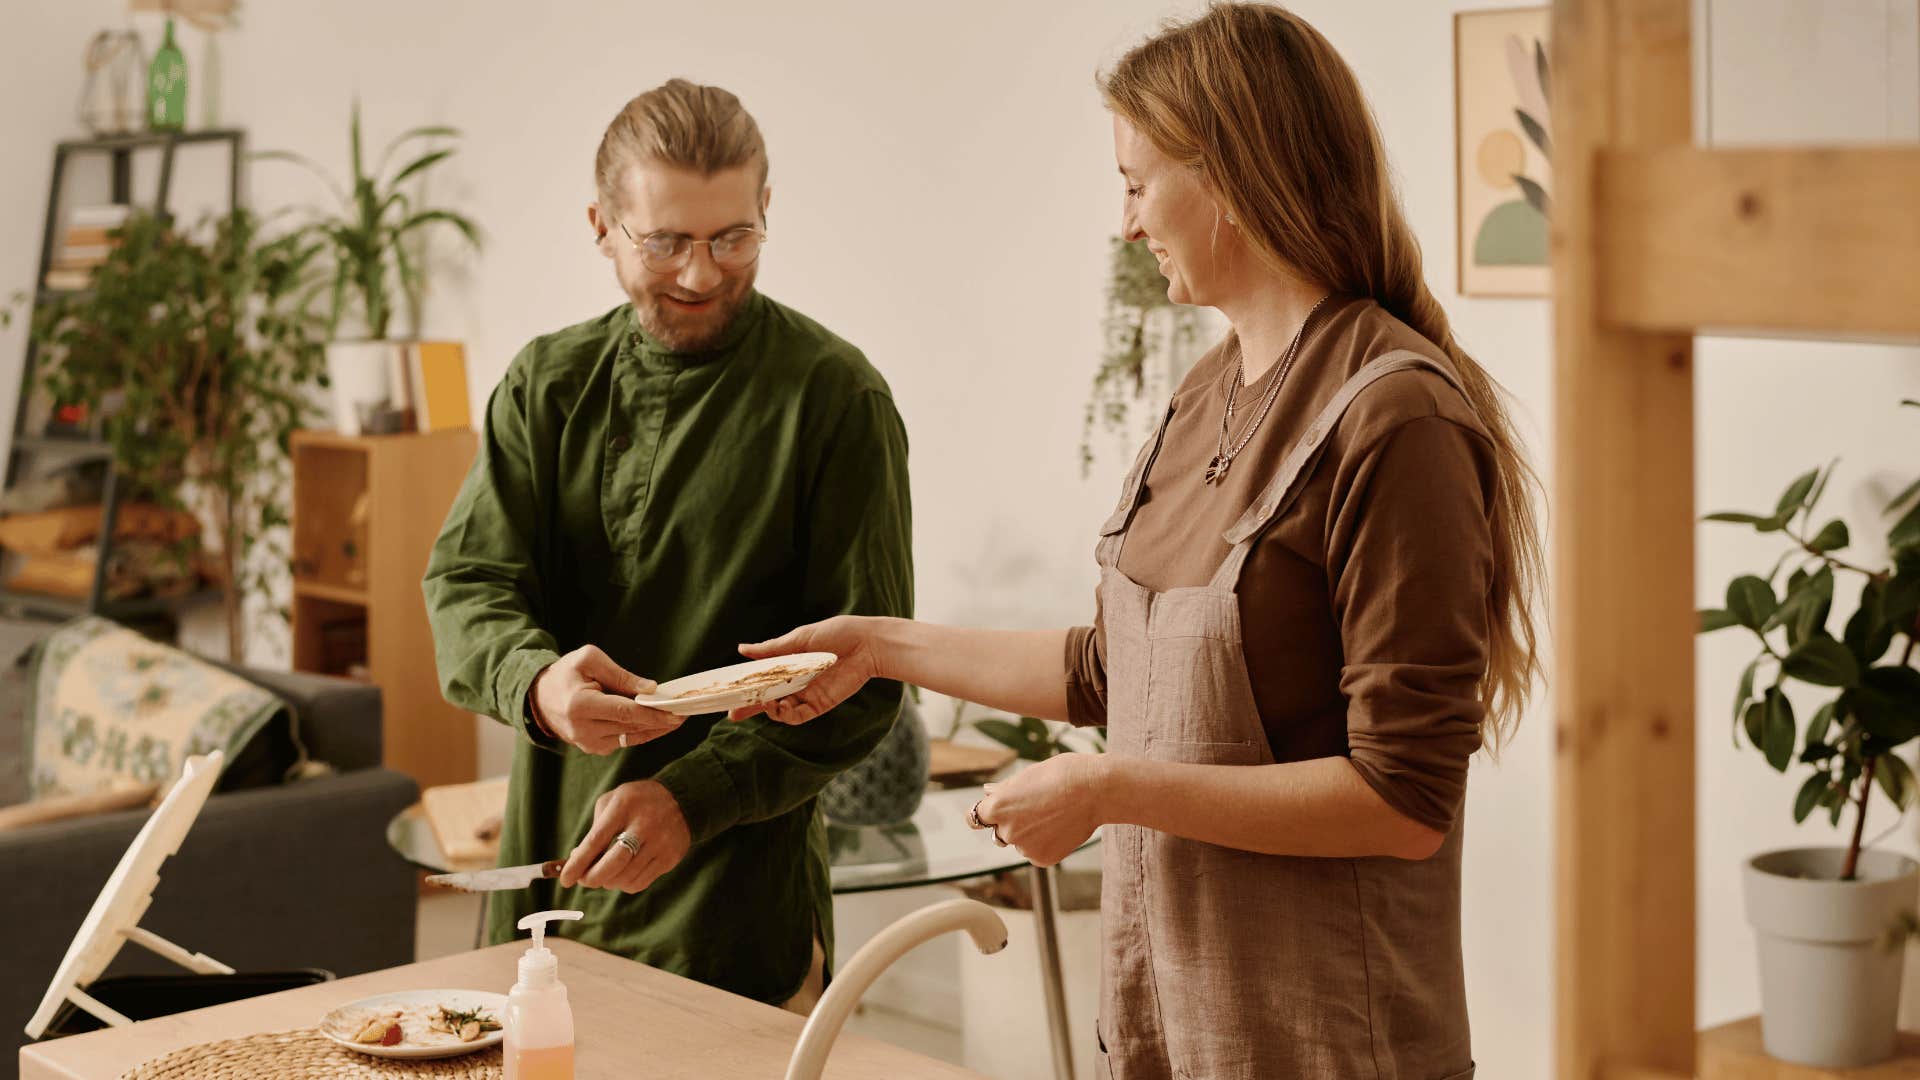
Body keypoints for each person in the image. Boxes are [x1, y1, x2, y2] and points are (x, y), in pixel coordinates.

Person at [731, 5, 1542, 1074]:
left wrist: (1112, 788)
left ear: (1237, 176)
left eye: (1135, 181)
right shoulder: (1206, 392)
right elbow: (1119, 669)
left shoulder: (1398, 421)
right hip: (1172, 1029)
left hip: (1329, 1044)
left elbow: (1402, 804)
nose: (1126, 224)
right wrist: (881, 648)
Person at [423, 78, 913, 1014]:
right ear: (601, 225)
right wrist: (536, 682)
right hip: (546, 878)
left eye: (734, 236)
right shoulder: (546, 384)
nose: (701, 274)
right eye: (667, 242)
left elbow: (868, 679)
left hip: (734, 912)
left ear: (767, 210)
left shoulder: (836, 401)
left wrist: (696, 796)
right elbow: (467, 581)